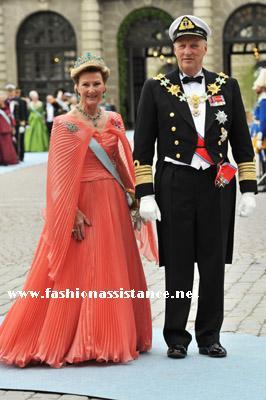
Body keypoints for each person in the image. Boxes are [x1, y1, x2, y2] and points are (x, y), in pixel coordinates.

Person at [0, 52, 157, 368]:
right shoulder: (64, 124)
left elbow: (120, 162)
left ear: (104, 86)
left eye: (96, 84)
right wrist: (69, 211)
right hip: (81, 202)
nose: (91, 90)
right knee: (81, 270)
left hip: (112, 202)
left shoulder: (113, 119)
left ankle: (114, 335)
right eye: (85, 84)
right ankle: (81, 337)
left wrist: (136, 195)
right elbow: (57, 175)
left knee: (112, 268)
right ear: (76, 87)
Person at [133, 15, 257, 359]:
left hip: (216, 184)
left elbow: (242, 143)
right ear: (174, 50)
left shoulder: (225, 86)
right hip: (175, 182)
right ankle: (176, 335)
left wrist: (248, 188)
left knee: (213, 263)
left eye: (194, 45)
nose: (188, 51)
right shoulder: (155, 87)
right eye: (182, 45)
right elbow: (142, 147)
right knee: (178, 262)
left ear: (204, 48)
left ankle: (209, 335)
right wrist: (145, 193)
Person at [252, 68, 266, 191]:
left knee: (264, 157)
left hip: (263, 133)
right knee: (262, 158)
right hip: (260, 131)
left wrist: (261, 135)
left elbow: (264, 119)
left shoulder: (263, 99)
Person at [0, 92, 18, 165]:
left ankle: (8, 160)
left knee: (7, 146)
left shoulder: (7, 107)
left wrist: (13, 127)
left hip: (6, 129)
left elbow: (11, 118)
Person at [13, 87, 28, 161]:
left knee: (21, 140)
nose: (17, 94)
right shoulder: (11, 101)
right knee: (15, 140)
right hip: (13, 123)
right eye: (16, 92)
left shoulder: (23, 101)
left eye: (18, 92)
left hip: (21, 123)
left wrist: (25, 122)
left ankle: (21, 156)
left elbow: (25, 113)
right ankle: (16, 155)